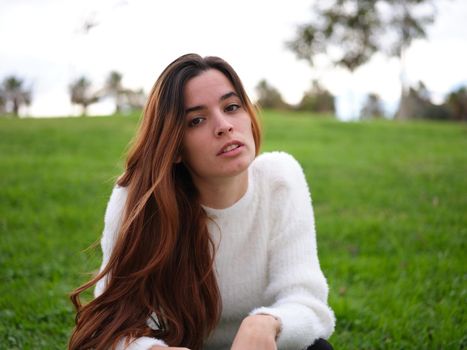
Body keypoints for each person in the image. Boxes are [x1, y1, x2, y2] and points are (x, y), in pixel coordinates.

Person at [69, 53, 335, 350]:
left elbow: (308, 305)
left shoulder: (281, 179)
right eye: (196, 120)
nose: (224, 126)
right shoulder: (138, 198)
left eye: (231, 107)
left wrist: (266, 323)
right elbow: (109, 324)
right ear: (175, 146)